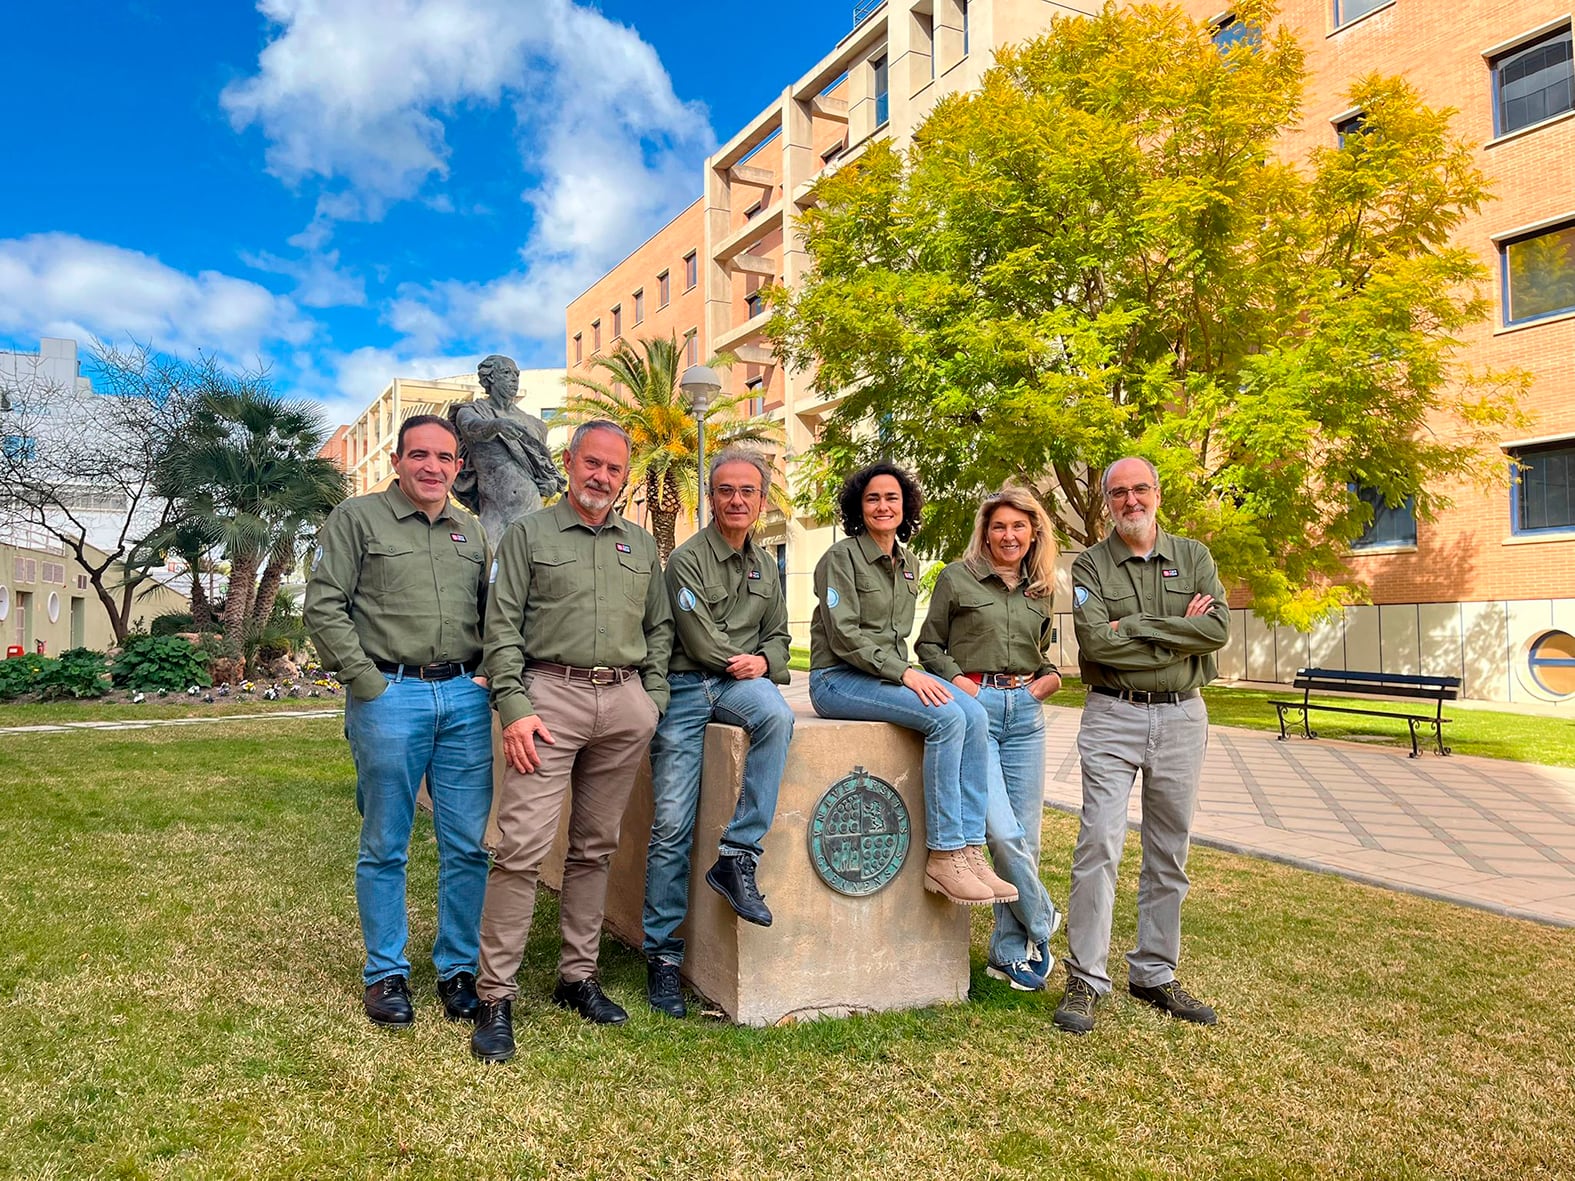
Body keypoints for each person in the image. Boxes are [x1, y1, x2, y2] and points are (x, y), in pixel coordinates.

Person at [470, 420, 673, 1063]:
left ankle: (576, 978)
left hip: (623, 705)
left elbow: (659, 629)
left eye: (615, 469)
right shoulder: (530, 534)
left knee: (595, 848)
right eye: (593, 464)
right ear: (569, 461)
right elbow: (499, 629)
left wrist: (652, 703)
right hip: (547, 701)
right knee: (522, 848)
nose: (602, 477)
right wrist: (514, 707)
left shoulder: (641, 546)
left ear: (625, 476)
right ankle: (495, 995)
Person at [304, 414, 492, 1028]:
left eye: (444, 457)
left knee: (467, 845)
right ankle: (386, 973)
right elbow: (325, 606)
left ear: (458, 465)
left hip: (464, 698)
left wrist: (488, 672)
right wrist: (367, 684)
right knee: (386, 843)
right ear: (397, 461)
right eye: (420, 455)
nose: (432, 467)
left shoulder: (473, 532)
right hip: (391, 696)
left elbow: (495, 612)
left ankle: (457, 969)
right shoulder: (357, 520)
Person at [1052, 456, 1230, 1035]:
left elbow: (1218, 629)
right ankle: (1086, 978)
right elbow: (1096, 646)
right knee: (1099, 843)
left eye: (1141, 489)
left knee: (1168, 851)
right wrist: (1176, 628)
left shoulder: (1194, 556)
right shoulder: (1091, 566)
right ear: (1107, 502)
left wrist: (1137, 627)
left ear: (1158, 493)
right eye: (1120, 492)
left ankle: (1154, 972)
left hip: (1183, 718)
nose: (1131, 500)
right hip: (1112, 715)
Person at [807, 462, 1013, 907]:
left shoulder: (909, 564)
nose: (883, 506)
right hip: (837, 679)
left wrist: (909, 672)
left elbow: (897, 638)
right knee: (945, 719)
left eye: (892, 498)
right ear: (858, 508)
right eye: (873, 498)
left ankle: (970, 851)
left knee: (974, 715)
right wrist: (906, 673)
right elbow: (845, 637)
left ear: (905, 507)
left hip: (885, 675)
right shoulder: (838, 560)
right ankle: (943, 856)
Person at [642, 449, 795, 1018]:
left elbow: (780, 639)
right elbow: (702, 643)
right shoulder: (685, 560)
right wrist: (754, 659)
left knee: (777, 716)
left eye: (747, 491)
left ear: (761, 500)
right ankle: (661, 955)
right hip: (687, 689)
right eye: (726, 490)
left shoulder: (766, 566)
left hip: (737, 685)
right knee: (671, 822)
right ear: (711, 497)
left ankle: (737, 853)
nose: (737, 500)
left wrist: (763, 662)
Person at [916, 483, 1064, 991]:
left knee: (1026, 836)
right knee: (999, 833)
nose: (1008, 534)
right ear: (985, 531)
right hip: (975, 709)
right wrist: (962, 687)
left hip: (1025, 714)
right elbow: (928, 645)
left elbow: (1040, 652)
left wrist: (1049, 680)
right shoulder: (957, 579)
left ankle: (1008, 953)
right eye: (999, 525)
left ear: (1033, 532)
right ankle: (1042, 919)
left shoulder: (1041, 589)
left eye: (1018, 526)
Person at [448, 353, 565, 549]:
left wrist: (550, 484)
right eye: (506, 372)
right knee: (489, 573)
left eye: (516, 374)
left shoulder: (534, 424)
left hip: (530, 512)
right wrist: (495, 426)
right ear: (490, 377)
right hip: (494, 514)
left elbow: (546, 469)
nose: (514, 378)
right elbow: (472, 427)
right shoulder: (471, 412)